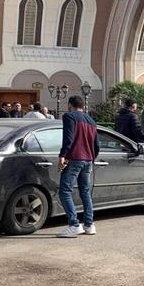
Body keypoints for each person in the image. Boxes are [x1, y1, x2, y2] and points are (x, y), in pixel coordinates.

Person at [57, 95, 99, 238]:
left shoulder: (69, 116)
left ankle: (74, 224)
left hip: (75, 157)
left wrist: (62, 155)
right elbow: (96, 144)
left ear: (70, 105)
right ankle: (89, 225)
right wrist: (92, 157)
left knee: (65, 191)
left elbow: (68, 138)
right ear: (83, 106)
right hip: (88, 159)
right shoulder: (91, 120)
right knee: (85, 192)